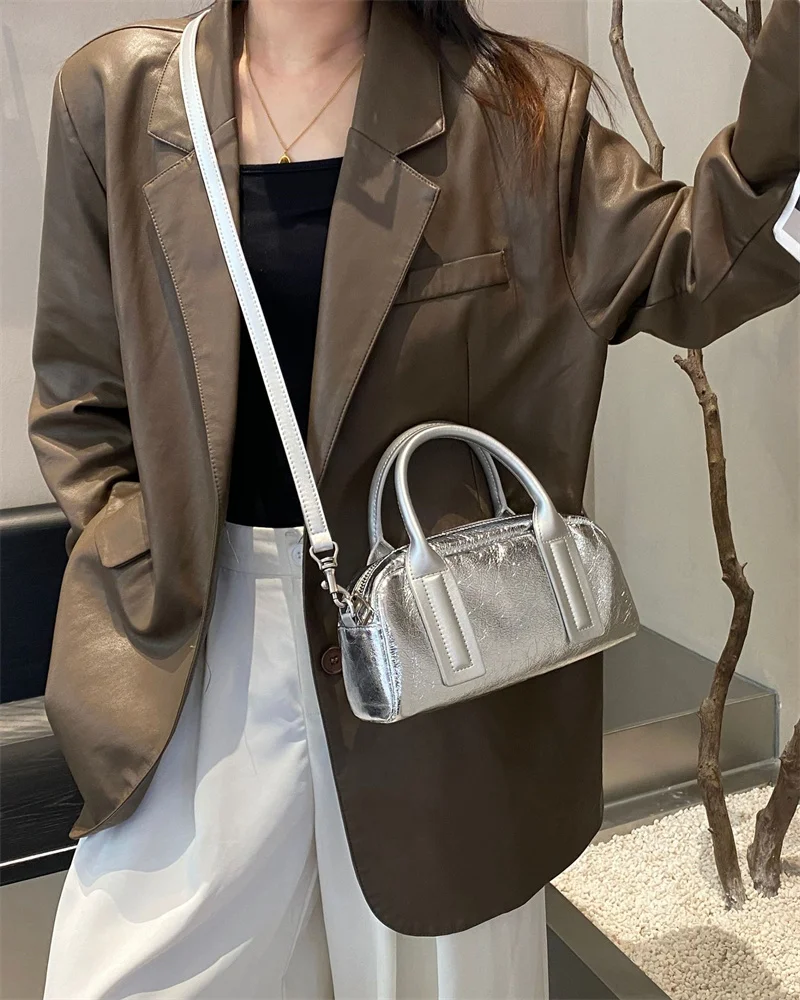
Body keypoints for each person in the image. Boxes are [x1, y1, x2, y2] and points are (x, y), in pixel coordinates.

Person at [27, 0, 799, 997]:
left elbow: (700, 265)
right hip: (196, 640)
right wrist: (140, 567)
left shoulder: (516, 110)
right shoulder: (118, 97)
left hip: (441, 660)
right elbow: (81, 397)